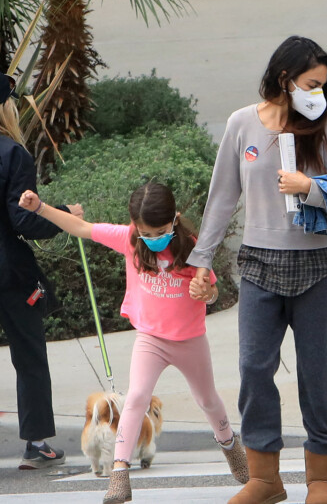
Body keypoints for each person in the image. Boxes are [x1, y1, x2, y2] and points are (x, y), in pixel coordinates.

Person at [187, 36, 327, 504]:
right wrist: (201, 262)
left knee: (316, 372)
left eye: (323, 86)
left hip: (316, 262)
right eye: (311, 83)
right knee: (255, 368)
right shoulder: (241, 124)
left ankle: (322, 479)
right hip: (258, 262)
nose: (318, 94)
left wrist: (309, 187)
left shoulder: (325, 127)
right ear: (285, 78)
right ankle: (265, 478)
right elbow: (222, 197)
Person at [19, 182, 248, 504]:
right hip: (150, 338)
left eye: (160, 231)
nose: (153, 239)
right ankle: (120, 474)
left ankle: (230, 446)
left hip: (189, 340)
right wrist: (40, 208)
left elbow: (212, 290)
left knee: (208, 399)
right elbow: (82, 227)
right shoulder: (129, 239)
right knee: (136, 397)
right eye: (145, 232)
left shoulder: (193, 248)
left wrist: (206, 293)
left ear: (175, 219)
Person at [0, 72, 83, 470]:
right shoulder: (13, 154)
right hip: (9, 274)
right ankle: (35, 444)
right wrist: (66, 216)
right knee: (28, 355)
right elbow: (23, 221)